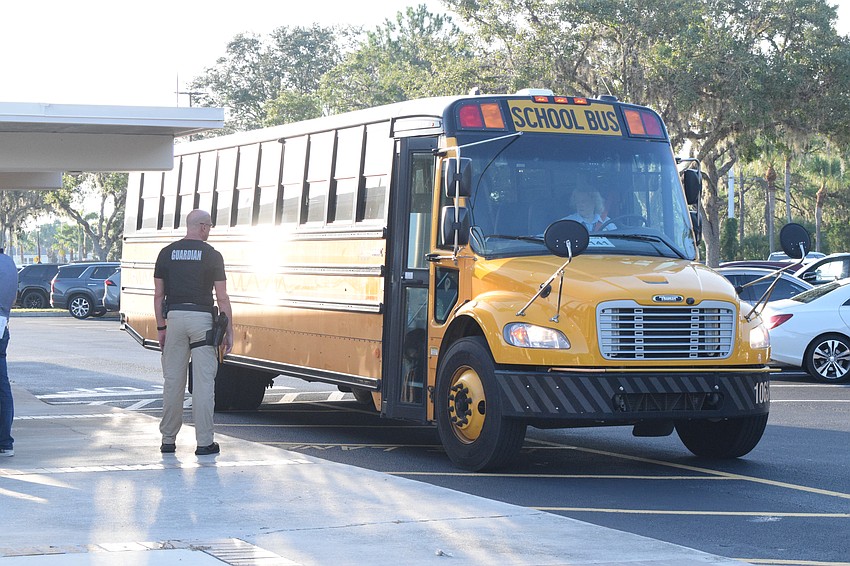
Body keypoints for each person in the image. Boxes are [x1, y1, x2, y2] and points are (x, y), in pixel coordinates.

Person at [154, 209, 233, 456]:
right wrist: (229, 331)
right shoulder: (212, 255)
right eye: (209, 226)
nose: (209, 230)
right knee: (204, 385)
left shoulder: (166, 253)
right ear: (202, 226)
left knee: (173, 382)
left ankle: (168, 440)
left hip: (175, 318)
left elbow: (158, 296)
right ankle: (204, 443)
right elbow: (222, 297)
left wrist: (161, 328)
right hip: (202, 321)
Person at [0, 246, 18, 457]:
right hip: (2, 323)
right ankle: (5, 442)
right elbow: (13, 298)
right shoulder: (9, 263)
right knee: (3, 386)